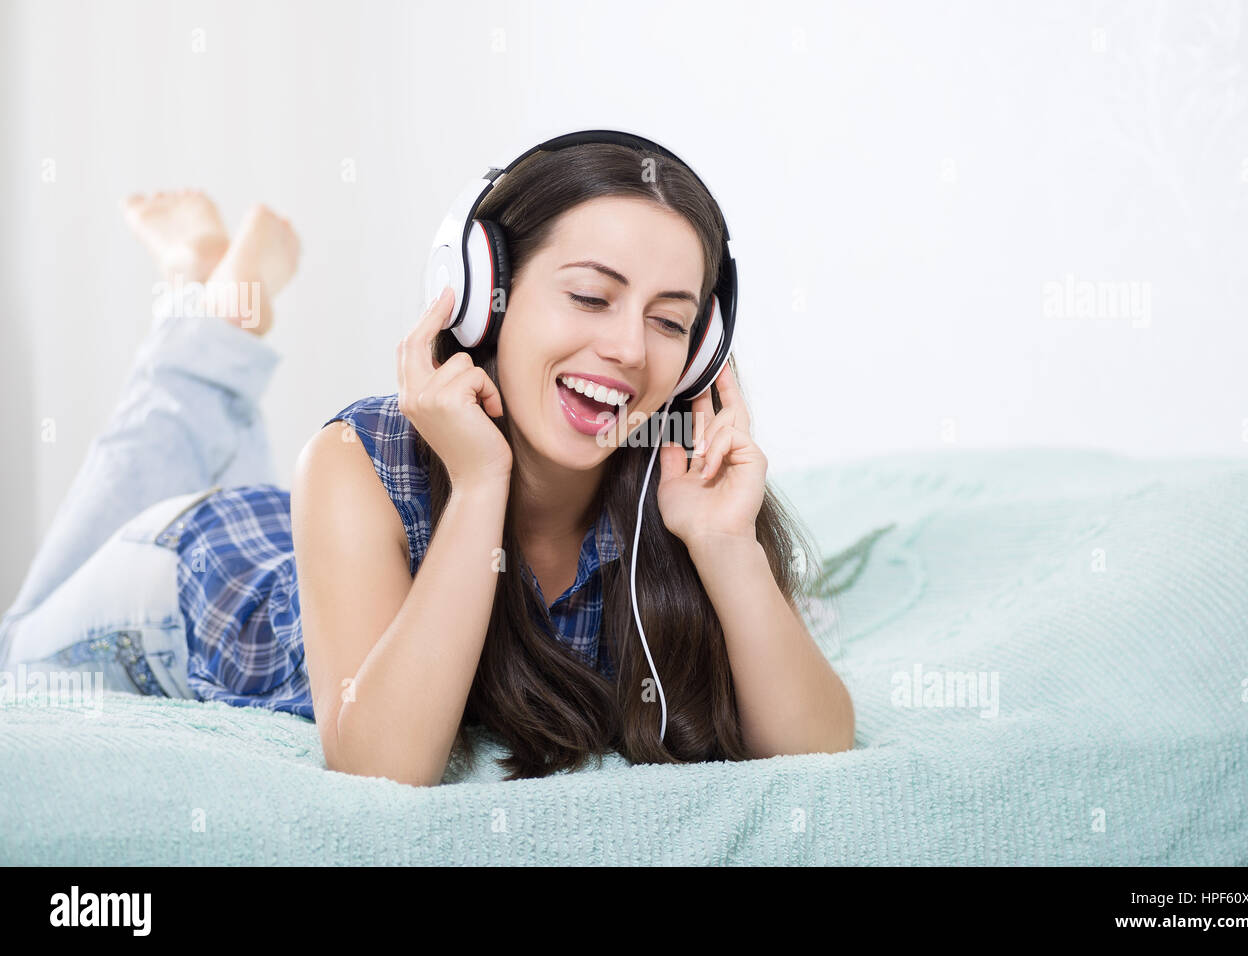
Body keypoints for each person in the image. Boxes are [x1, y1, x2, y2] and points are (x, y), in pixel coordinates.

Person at [1, 144, 855, 788]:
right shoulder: (354, 456)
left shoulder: (672, 493)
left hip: (320, 548)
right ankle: (212, 317)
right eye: (590, 297)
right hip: (190, 588)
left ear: (702, 356)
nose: (628, 347)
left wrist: (726, 545)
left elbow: (820, 750)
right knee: (15, 654)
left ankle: (214, 303)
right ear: (487, 296)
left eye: (670, 323)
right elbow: (380, 765)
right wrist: (482, 482)